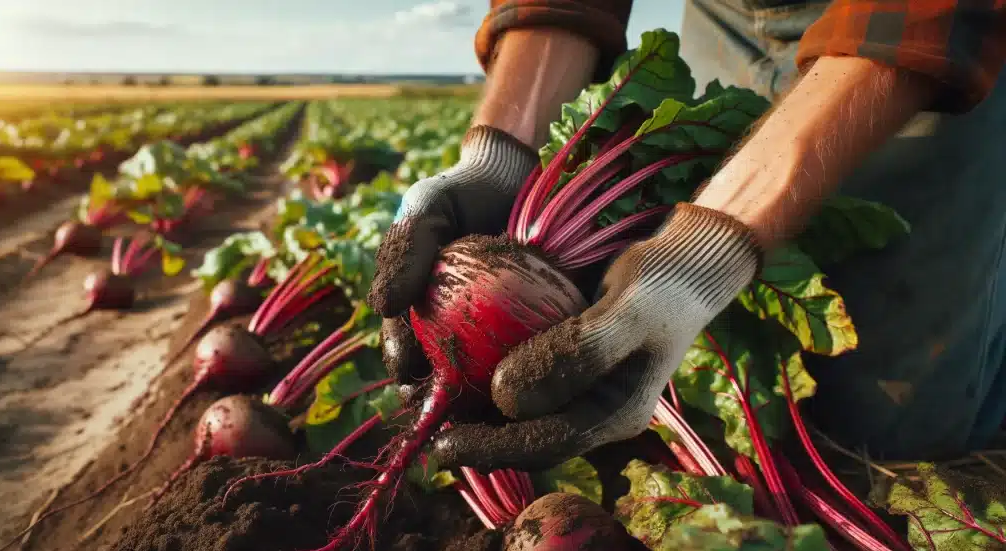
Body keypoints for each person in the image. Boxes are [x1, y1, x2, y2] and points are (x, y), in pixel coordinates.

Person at [367, 0, 1006, 471]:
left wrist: (708, 248)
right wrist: (501, 155)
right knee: (708, 396)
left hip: (926, 37)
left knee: (887, 439)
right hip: (729, 13)